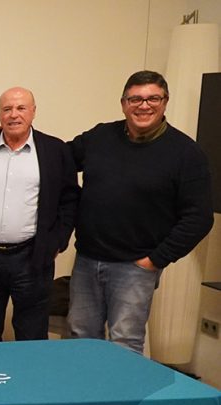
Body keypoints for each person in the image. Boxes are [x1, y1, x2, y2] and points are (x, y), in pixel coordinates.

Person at [67, 71, 213, 353]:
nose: (143, 106)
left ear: (165, 102)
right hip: (87, 261)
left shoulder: (186, 153)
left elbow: (199, 217)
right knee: (80, 339)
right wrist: (8, 133)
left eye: (152, 98)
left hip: (135, 267)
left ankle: (120, 398)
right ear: (123, 103)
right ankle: (85, 396)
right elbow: (56, 159)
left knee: (125, 343)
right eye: (135, 99)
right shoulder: (100, 137)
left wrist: (155, 259)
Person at [0, 87, 79, 342]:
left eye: (21, 108)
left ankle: (30, 381)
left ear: (33, 112)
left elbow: (70, 199)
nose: (14, 115)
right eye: (7, 109)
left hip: (31, 258)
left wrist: (57, 241)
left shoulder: (55, 151)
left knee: (31, 334)